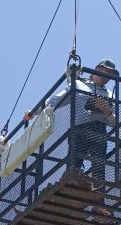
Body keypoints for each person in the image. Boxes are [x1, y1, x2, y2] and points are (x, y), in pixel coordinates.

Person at [45, 59, 117, 189]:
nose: (108, 76)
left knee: (99, 166)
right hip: (80, 129)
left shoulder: (110, 95)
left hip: (99, 130)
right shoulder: (78, 85)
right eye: (107, 71)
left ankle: (99, 196)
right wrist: (35, 112)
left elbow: (114, 123)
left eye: (111, 74)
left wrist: (107, 112)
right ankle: (69, 189)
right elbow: (53, 102)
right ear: (98, 69)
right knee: (74, 163)